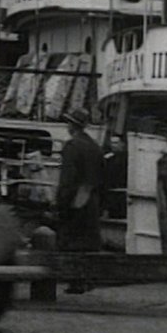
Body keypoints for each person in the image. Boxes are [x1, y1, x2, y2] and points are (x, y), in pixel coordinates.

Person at [56, 107, 104, 292]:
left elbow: (67, 179)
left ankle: (75, 281)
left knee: (72, 239)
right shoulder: (95, 147)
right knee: (88, 241)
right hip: (92, 198)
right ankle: (88, 279)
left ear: (71, 125)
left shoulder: (72, 146)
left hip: (76, 198)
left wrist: (61, 202)